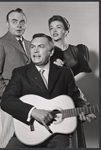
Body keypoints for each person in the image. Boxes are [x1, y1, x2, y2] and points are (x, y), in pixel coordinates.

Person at [1, 33, 96, 148]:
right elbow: (6, 101)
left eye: (41, 47)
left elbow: (76, 97)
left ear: (51, 52)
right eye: (32, 47)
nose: (35, 51)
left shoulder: (65, 73)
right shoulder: (20, 73)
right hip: (27, 133)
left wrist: (83, 110)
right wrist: (33, 112)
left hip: (59, 134)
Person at [0, 8, 31, 148]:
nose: (19, 25)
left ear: (26, 24)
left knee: (27, 138)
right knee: (9, 137)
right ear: (7, 24)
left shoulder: (31, 44)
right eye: (14, 21)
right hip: (12, 100)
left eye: (22, 22)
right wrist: (8, 96)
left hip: (30, 100)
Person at [48, 15, 92, 147]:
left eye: (58, 27)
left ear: (66, 31)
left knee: (75, 134)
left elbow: (82, 74)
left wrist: (67, 73)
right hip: (53, 97)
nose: (54, 31)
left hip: (73, 95)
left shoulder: (77, 50)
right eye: (51, 28)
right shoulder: (46, 52)